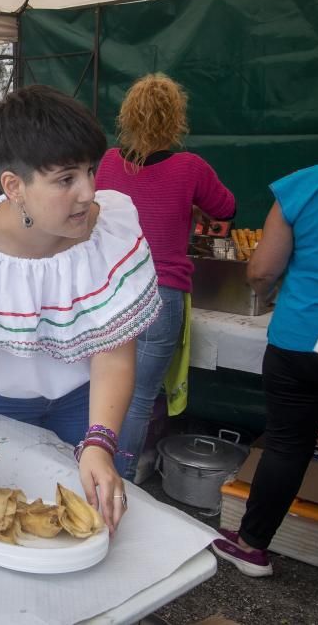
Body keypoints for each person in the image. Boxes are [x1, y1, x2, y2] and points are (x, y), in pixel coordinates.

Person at [0, 85, 163, 534]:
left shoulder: (110, 233)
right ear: (14, 187)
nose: (88, 192)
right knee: (3, 520)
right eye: (65, 179)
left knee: (83, 521)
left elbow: (113, 354)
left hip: (84, 402)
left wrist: (100, 440)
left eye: (91, 171)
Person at [96, 73, 235, 481]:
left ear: (128, 116)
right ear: (176, 119)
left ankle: (91, 468)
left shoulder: (106, 162)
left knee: (100, 385)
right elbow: (226, 209)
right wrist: (190, 212)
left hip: (110, 293)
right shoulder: (190, 168)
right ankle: (118, 479)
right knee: (140, 397)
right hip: (163, 293)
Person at [212, 164, 318, 577]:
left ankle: (251, 547)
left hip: (301, 338)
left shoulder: (304, 186)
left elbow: (261, 270)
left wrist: (269, 294)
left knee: (287, 446)